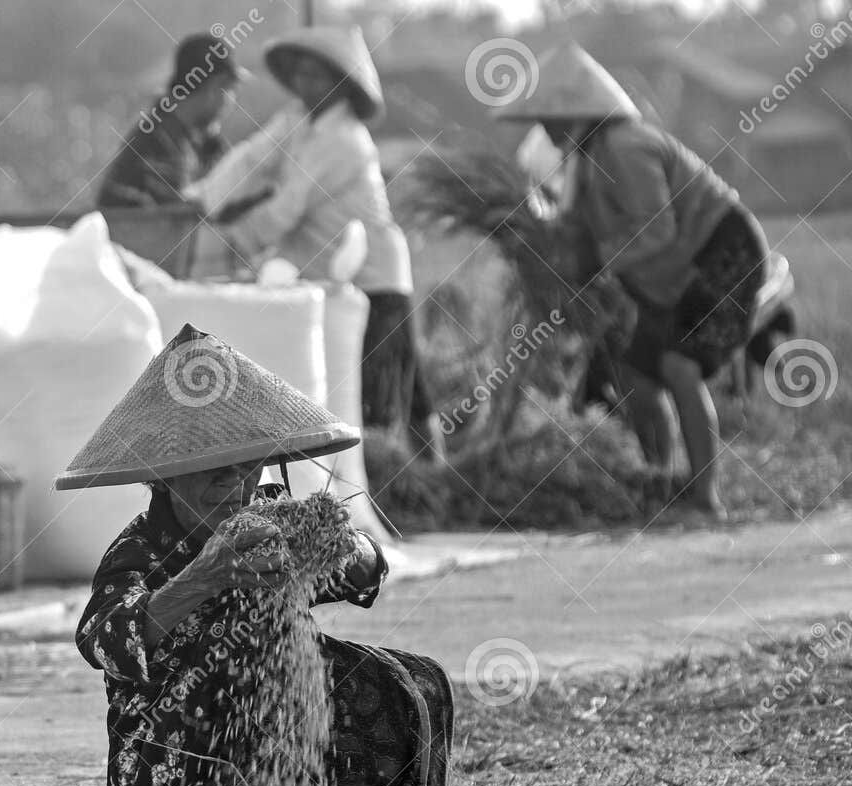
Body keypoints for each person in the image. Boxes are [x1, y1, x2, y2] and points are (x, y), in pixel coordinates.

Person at [59, 324, 452, 786]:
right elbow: (102, 638)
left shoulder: (271, 521)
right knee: (246, 663)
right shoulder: (139, 549)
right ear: (165, 478)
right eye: (212, 471)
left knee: (419, 682)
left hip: (278, 745)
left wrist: (343, 543)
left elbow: (368, 572)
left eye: (247, 467)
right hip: (173, 777)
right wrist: (203, 577)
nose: (234, 486)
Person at [495, 43, 769, 519]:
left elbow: (657, 231)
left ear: (576, 113)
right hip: (672, 275)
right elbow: (575, 236)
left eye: (549, 117)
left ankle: (706, 500)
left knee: (681, 367)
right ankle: (657, 483)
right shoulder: (582, 163)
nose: (545, 128)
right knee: (637, 375)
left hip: (725, 254)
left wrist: (601, 259)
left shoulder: (626, 146)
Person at [186, 24, 444, 464]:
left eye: (317, 76)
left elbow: (287, 208)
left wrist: (226, 241)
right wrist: (201, 198)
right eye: (300, 74)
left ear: (340, 83)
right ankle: (422, 476)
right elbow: (252, 157)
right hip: (338, 275)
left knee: (390, 392)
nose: (305, 84)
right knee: (402, 386)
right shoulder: (296, 122)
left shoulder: (346, 141)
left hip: (376, 279)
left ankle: (419, 482)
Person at [95, 31, 246, 210]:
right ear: (215, 88)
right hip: (133, 236)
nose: (231, 101)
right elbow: (179, 219)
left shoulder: (185, 136)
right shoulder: (159, 141)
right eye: (230, 89)